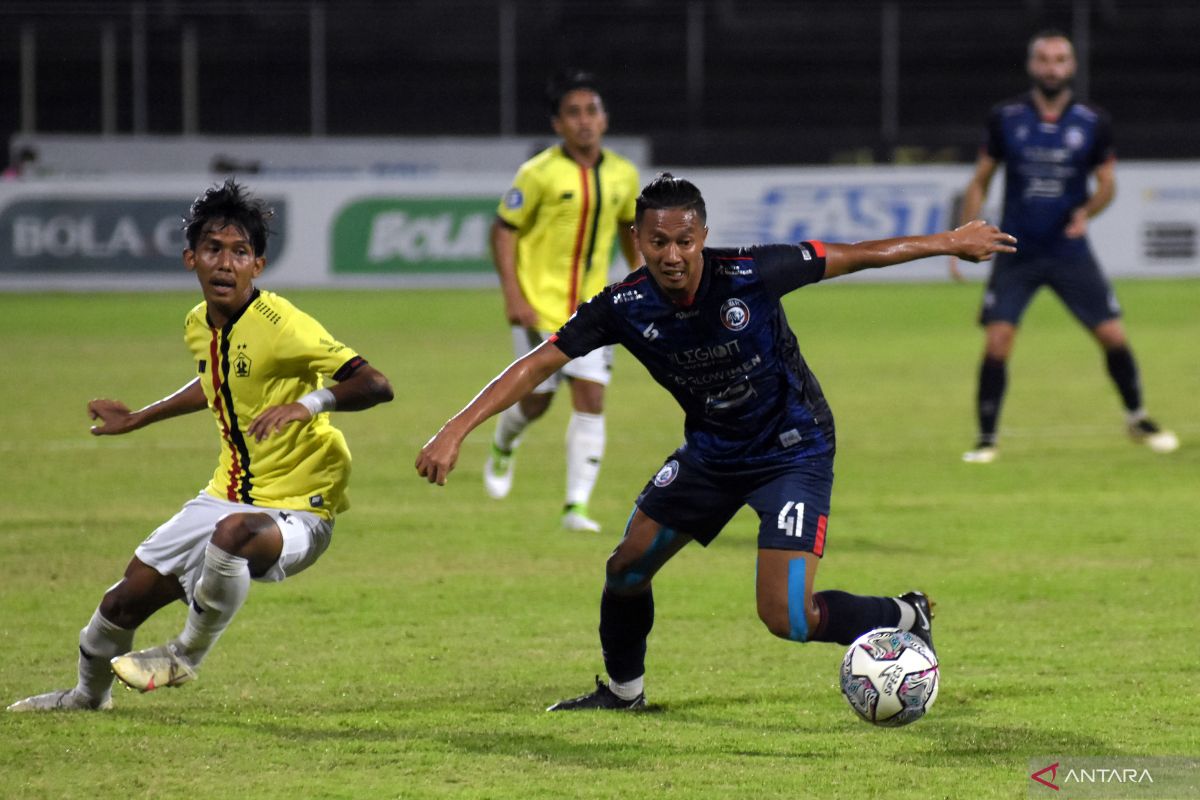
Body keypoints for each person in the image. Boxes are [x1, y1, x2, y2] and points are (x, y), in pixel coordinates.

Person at [417, 174, 1016, 710]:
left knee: (788, 619)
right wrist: (455, 427)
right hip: (712, 453)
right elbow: (538, 363)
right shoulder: (623, 305)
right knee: (626, 568)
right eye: (658, 242)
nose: (672, 255)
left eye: (684, 241)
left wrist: (948, 241)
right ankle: (625, 693)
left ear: (703, 235)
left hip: (793, 449)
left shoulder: (751, 273)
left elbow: (855, 254)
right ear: (638, 238)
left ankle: (903, 614)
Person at [8, 179, 394, 712]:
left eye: (240, 252)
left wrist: (306, 405)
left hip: (300, 509)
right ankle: (86, 699)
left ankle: (184, 654)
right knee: (119, 605)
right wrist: (140, 417)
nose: (225, 263)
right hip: (226, 491)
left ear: (258, 265)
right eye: (214, 249)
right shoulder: (198, 324)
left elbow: (376, 384)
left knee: (232, 534)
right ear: (191, 257)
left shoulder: (284, 326)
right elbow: (219, 382)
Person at [953, 29, 1178, 464]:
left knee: (1112, 334)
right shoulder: (1006, 116)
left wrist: (1085, 212)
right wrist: (964, 234)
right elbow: (980, 179)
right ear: (1032, 65)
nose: (1051, 67)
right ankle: (986, 438)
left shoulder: (1093, 121)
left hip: (1067, 251)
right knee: (997, 342)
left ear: (1071, 66)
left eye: (1059, 59)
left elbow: (1108, 184)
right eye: (1044, 59)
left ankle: (1137, 416)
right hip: (1016, 249)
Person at [483, 70, 642, 533]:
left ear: (605, 119)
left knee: (591, 396)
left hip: (594, 307)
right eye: (573, 113)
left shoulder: (623, 173)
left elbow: (630, 230)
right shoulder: (538, 174)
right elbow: (503, 231)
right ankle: (504, 440)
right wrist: (513, 296)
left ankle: (576, 507)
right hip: (539, 303)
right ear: (558, 124)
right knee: (536, 402)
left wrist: (640, 284)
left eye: (591, 111)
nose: (584, 121)